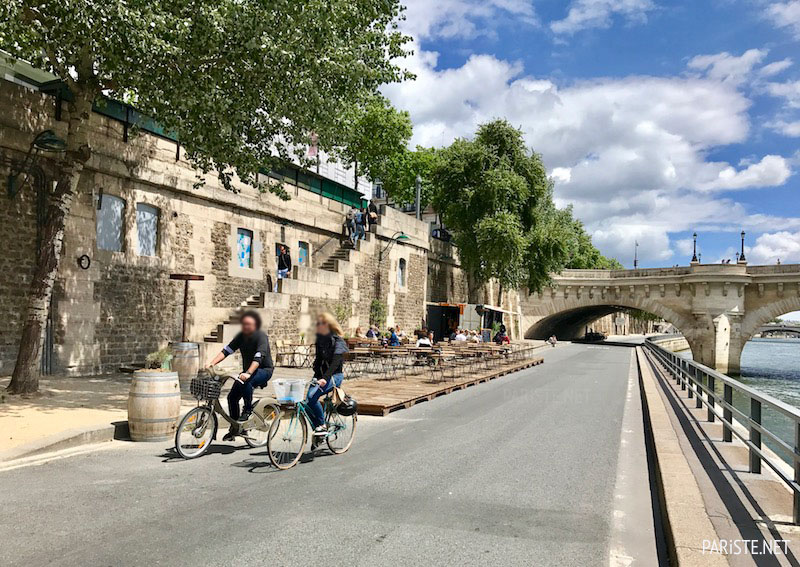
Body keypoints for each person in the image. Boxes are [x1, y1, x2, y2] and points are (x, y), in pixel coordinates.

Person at [205, 311, 274, 441]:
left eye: (249, 324)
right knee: (232, 397)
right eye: (244, 324)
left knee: (247, 382)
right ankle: (235, 428)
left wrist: (248, 373)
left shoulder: (261, 337)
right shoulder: (241, 336)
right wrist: (211, 363)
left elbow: (258, 357)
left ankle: (247, 410)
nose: (246, 327)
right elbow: (227, 350)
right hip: (247, 371)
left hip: (264, 370)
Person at [308, 312, 348, 435]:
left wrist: (325, 378)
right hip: (321, 377)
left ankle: (321, 425)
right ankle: (318, 429)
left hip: (335, 376)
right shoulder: (320, 340)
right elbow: (319, 360)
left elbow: (335, 363)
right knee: (306, 403)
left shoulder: (338, 341)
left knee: (311, 398)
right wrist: (315, 376)